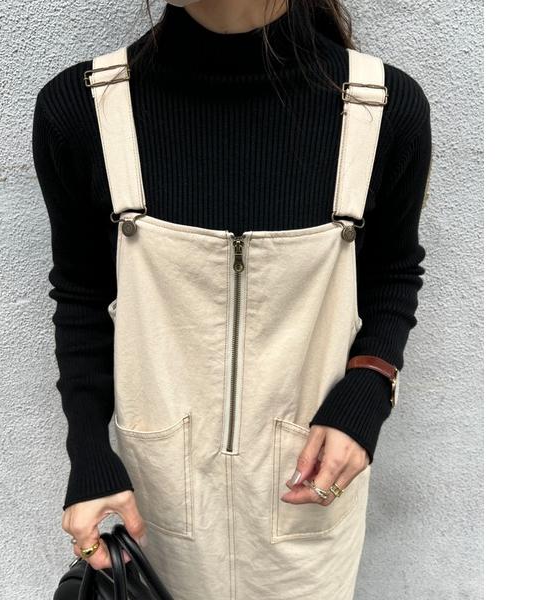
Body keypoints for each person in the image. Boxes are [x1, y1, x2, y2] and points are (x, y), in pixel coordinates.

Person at [33, 1, 431, 598]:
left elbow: (393, 273)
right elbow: (83, 296)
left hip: (308, 501)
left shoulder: (383, 108)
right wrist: (88, 452)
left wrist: (369, 389)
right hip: (155, 508)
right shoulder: (84, 108)